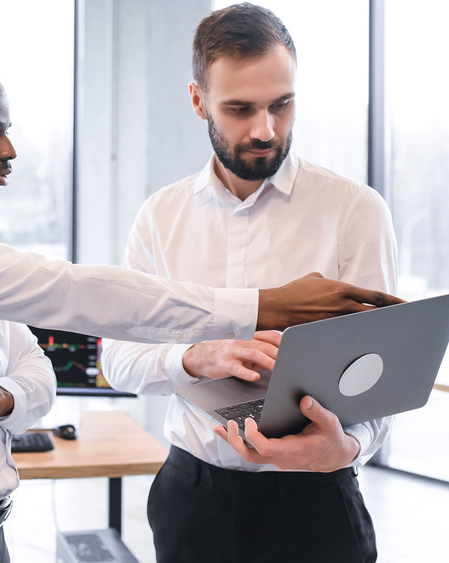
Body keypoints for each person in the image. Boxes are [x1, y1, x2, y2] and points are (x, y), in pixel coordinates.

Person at [0, 49, 400, 563]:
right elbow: (73, 296)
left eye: (282, 104)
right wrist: (260, 308)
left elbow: (37, 377)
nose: (11, 149)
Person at [101, 4, 398, 563]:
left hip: (317, 503)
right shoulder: (160, 217)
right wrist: (194, 358)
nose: (266, 130)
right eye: (239, 109)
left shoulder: (354, 211)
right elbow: (117, 359)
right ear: (198, 102)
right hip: (193, 499)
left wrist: (350, 446)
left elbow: (380, 376)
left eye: (281, 105)